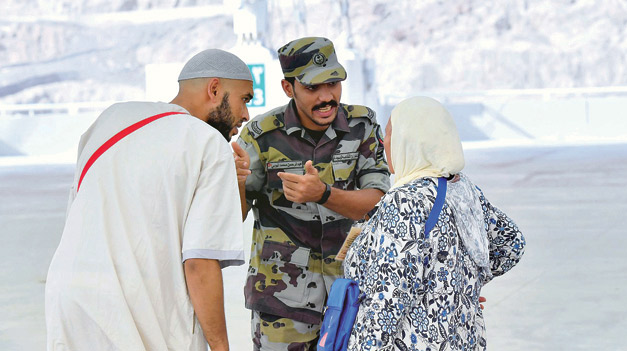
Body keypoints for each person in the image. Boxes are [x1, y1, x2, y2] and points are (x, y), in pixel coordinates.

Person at [45, 49, 254, 351]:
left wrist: (234, 183)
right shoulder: (208, 143)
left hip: (69, 301)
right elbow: (200, 261)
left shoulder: (110, 120)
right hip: (132, 314)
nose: (246, 115)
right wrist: (221, 347)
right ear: (214, 89)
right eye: (244, 99)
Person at [233, 37, 391, 350]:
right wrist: (236, 182)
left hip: (351, 295)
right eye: (312, 88)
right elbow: (233, 216)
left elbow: (377, 204)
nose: (326, 97)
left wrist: (323, 194)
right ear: (288, 88)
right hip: (281, 302)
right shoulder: (260, 136)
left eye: (333, 83)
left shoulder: (362, 126)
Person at [343, 96, 526, 351]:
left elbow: (387, 300)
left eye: (388, 135)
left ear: (410, 141)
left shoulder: (405, 201)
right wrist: (461, 289)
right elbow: (511, 243)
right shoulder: (461, 187)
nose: (383, 146)